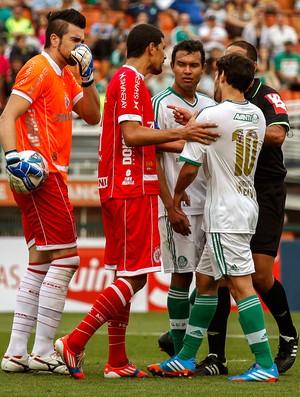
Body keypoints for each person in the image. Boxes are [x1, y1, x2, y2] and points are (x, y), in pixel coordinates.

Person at [54, 23, 220, 380]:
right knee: (136, 277)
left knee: (124, 273)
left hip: (123, 186)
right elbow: (132, 135)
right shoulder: (130, 81)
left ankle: (116, 360)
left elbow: (147, 139)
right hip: (128, 187)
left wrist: (189, 141)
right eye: (162, 49)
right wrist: (184, 132)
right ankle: (75, 341)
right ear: (149, 49)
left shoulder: (131, 83)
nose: (163, 55)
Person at [159, 40, 298, 376]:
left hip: (224, 212)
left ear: (222, 75)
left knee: (241, 286)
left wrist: (175, 197)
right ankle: (186, 357)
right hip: (247, 202)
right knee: (206, 283)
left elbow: (190, 166)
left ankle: (265, 364)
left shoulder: (212, 115)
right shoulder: (255, 115)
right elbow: (234, 132)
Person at [0, 8, 100, 374]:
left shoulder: (65, 74)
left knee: (41, 261)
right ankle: (43, 350)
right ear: (55, 39)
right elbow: (7, 115)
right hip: (42, 174)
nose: (81, 46)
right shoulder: (39, 67)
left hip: (45, 174)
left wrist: (88, 77)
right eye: (75, 39)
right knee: (69, 258)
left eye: (83, 40)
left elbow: (93, 115)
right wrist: (12, 158)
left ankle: (15, 353)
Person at [153, 39, 215, 357]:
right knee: (182, 275)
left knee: (214, 278)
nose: (187, 70)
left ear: (203, 68)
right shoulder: (161, 103)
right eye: (181, 64)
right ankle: (179, 354)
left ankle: (184, 347)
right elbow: (150, 154)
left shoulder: (211, 106)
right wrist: (170, 205)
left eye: (193, 65)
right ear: (172, 66)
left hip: (213, 205)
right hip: (181, 207)